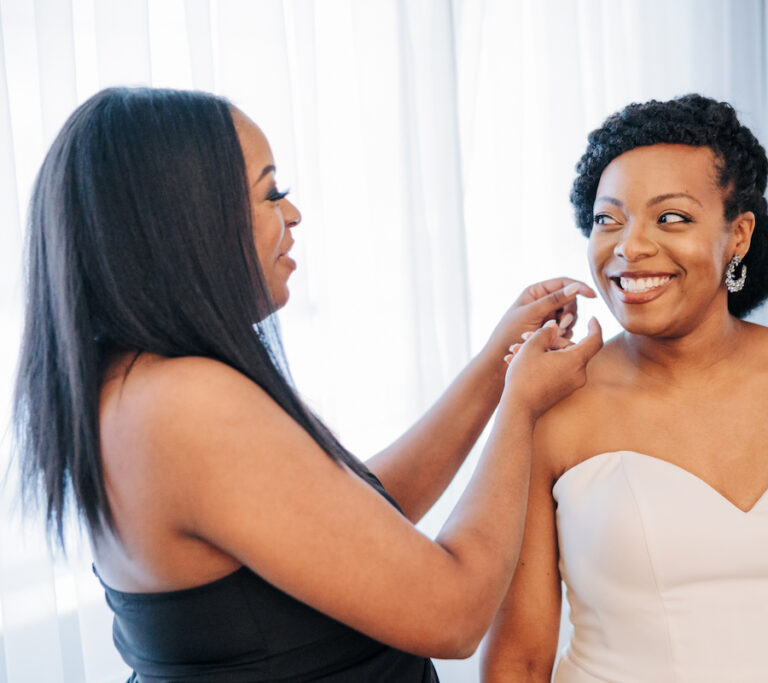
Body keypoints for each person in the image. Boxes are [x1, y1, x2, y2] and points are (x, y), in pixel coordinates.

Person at [13, 87, 604, 682]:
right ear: (182, 220)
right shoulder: (186, 405)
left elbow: (357, 521)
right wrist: (521, 408)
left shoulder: (132, 388)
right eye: (271, 193)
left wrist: (496, 366)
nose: (292, 214)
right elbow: (455, 614)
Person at [482, 94, 768, 682]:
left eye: (670, 218)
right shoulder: (554, 407)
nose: (630, 246)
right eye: (607, 219)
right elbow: (518, 657)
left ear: (739, 235)